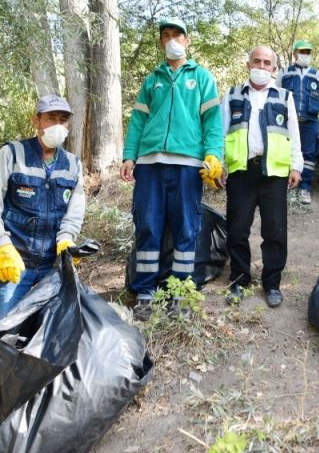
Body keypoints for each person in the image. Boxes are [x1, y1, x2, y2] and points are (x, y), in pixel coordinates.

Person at [121, 18, 223, 321]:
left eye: (176, 35)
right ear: (161, 43)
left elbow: (213, 122)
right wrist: (129, 156)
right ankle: (145, 293)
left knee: (186, 228)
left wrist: (213, 155)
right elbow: (138, 121)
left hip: (188, 164)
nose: (171, 40)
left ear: (187, 41)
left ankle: (180, 291)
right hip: (150, 163)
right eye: (165, 36)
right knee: (148, 226)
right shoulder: (152, 79)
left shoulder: (202, 78)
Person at [0, 94, 86, 326]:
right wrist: (2, 246)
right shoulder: (12, 155)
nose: (58, 125)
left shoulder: (73, 164)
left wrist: (67, 239)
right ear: (36, 121)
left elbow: (74, 212)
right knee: (2, 329)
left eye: (63, 120)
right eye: (51, 118)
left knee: (60, 330)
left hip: (51, 264)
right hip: (15, 261)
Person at [222, 45, 303, 308]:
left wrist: (296, 166)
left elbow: (294, 134)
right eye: (256, 61)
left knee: (275, 230)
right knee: (237, 228)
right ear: (248, 64)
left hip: (274, 173)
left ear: (274, 69)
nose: (261, 66)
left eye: (267, 63)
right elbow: (221, 132)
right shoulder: (233, 95)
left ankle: (272, 283)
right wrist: (220, 163)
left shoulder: (284, 96)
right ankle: (239, 279)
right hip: (240, 171)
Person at [276, 40, 319, 205]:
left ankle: (305, 188)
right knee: (286, 153)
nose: (305, 55)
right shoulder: (284, 73)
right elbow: (274, 94)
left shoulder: (316, 75)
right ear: (294, 53)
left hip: (310, 121)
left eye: (308, 52)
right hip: (288, 122)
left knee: (309, 154)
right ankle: (288, 187)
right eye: (302, 51)